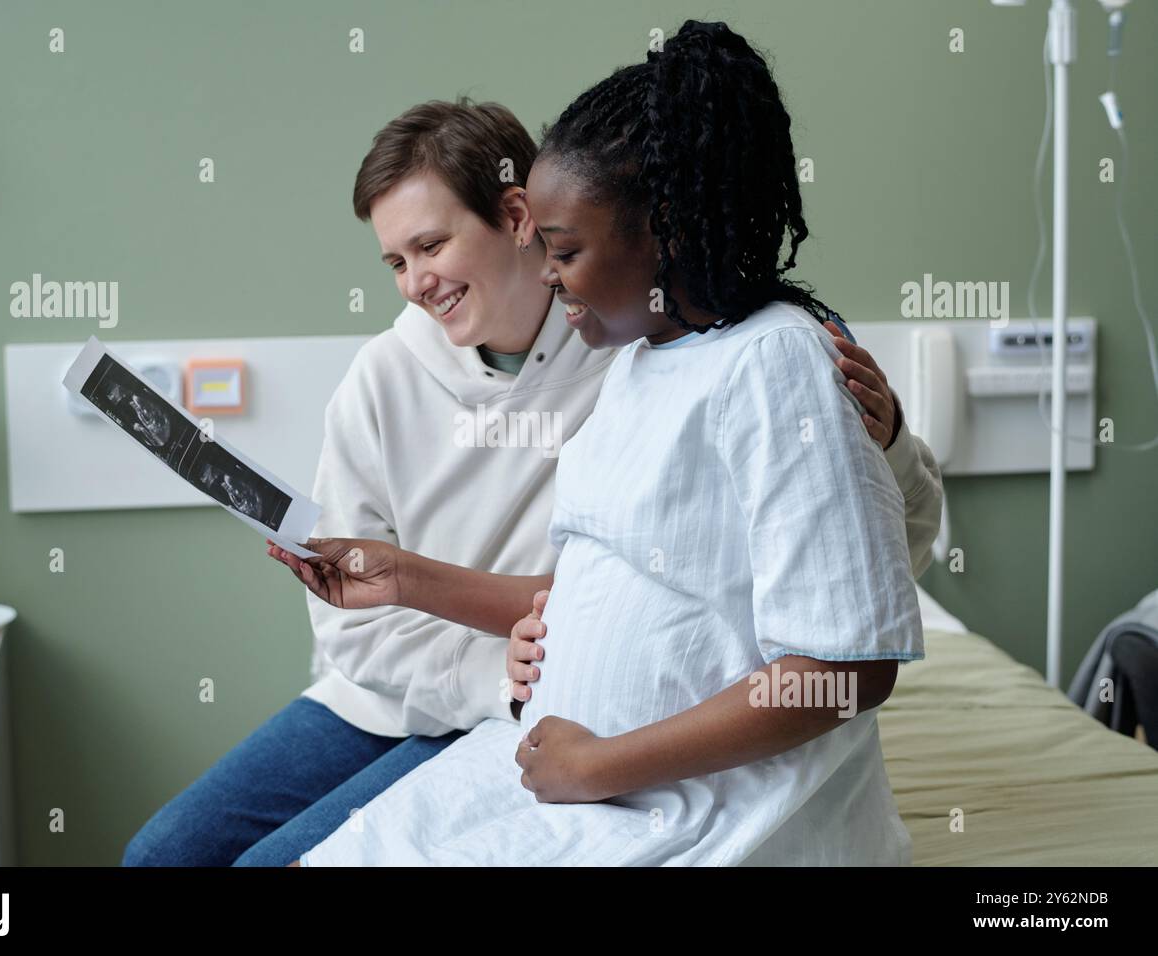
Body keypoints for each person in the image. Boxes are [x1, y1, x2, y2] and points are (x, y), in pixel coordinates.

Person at [126, 85, 939, 865]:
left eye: (432, 245)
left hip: (553, 715)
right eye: (395, 262)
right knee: (160, 854)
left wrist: (889, 437)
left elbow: (867, 577)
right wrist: (482, 663)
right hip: (426, 696)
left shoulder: (636, 339)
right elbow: (390, 620)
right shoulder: (395, 378)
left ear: (517, 218)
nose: (416, 284)